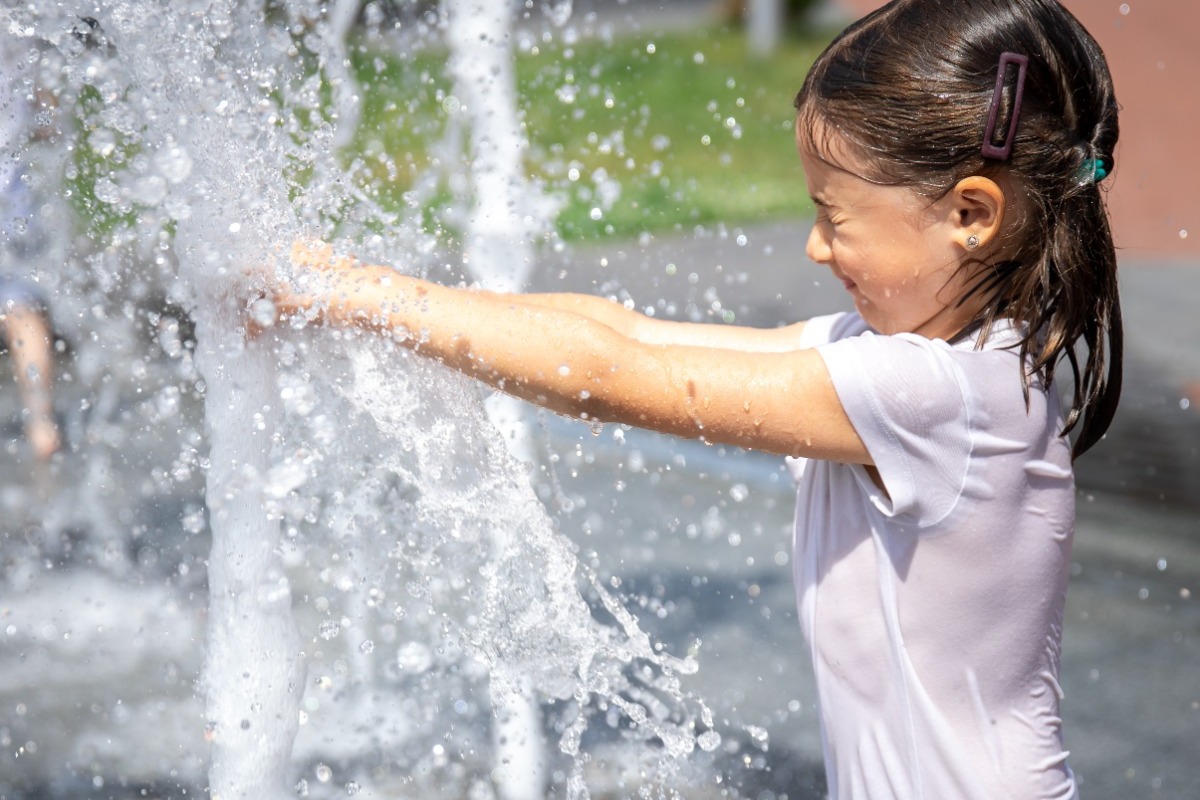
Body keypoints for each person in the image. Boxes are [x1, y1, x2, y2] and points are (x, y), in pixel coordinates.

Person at [265, 0, 1120, 797]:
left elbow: (605, 379)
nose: (815, 246)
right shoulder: (910, 361)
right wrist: (343, 284)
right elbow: (627, 336)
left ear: (971, 213)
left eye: (834, 213)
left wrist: (346, 296)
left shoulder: (935, 394)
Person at [1, 31, 61, 462]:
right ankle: (41, 420)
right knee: (21, 306)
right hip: (10, 190)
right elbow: (46, 117)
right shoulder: (16, 31)